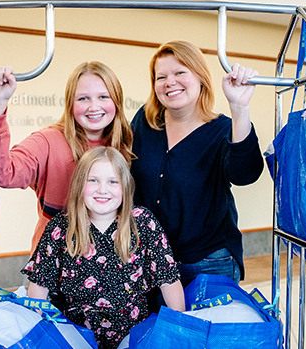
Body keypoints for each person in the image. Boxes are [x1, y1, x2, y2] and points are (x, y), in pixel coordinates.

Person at [130, 40, 264, 311]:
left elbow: (245, 174)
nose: (170, 82)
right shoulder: (145, 123)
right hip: (152, 261)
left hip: (208, 260)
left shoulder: (222, 129)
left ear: (200, 77)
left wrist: (240, 108)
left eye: (180, 73)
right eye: (161, 77)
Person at [21, 146, 185, 349]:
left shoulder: (143, 223)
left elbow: (168, 280)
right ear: (80, 184)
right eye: (93, 180)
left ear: (125, 187)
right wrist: (40, 334)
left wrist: (179, 330)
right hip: (77, 338)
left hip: (134, 338)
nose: (102, 189)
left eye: (112, 181)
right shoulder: (61, 227)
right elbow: (39, 286)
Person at [0, 61, 134, 254]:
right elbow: (1, 173)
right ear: (70, 103)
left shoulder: (127, 144)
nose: (94, 106)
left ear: (116, 100)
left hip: (112, 265)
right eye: (83, 99)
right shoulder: (48, 141)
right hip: (55, 265)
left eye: (103, 96)